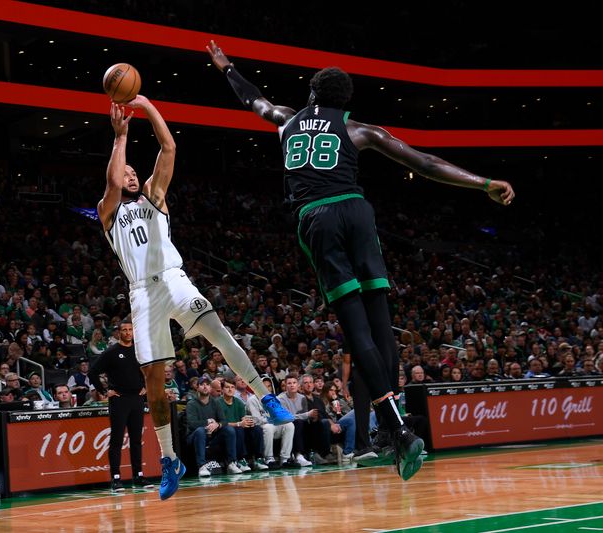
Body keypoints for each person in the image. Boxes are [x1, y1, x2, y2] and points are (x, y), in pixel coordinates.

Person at [207, 40, 516, 481]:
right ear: (344, 101)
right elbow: (423, 162)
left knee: (356, 332)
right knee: (379, 320)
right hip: (356, 211)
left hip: (318, 218)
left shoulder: (288, 120)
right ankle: (396, 427)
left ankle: (395, 430)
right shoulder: (359, 129)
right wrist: (482, 182)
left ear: (312, 94)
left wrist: (227, 67)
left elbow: (254, 100)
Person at [99, 94, 293, 499]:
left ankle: (266, 395)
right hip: (142, 294)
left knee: (217, 330)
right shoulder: (109, 211)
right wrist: (121, 137)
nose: (131, 176)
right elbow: (112, 182)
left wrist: (147, 105)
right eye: (127, 172)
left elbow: (168, 148)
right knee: (153, 382)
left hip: (173, 278)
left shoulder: (154, 196)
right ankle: (170, 459)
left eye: (135, 172)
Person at [88, 318, 153, 492]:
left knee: (136, 440)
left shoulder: (139, 352)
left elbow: (150, 371)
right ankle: (116, 478)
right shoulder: (111, 352)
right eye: (124, 330)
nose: (127, 333)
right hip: (119, 399)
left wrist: (145, 387)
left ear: (134, 332)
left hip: (137, 399)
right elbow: (92, 372)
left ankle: (138, 475)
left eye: (130, 330)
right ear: (119, 332)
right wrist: (104, 391)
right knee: (116, 439)